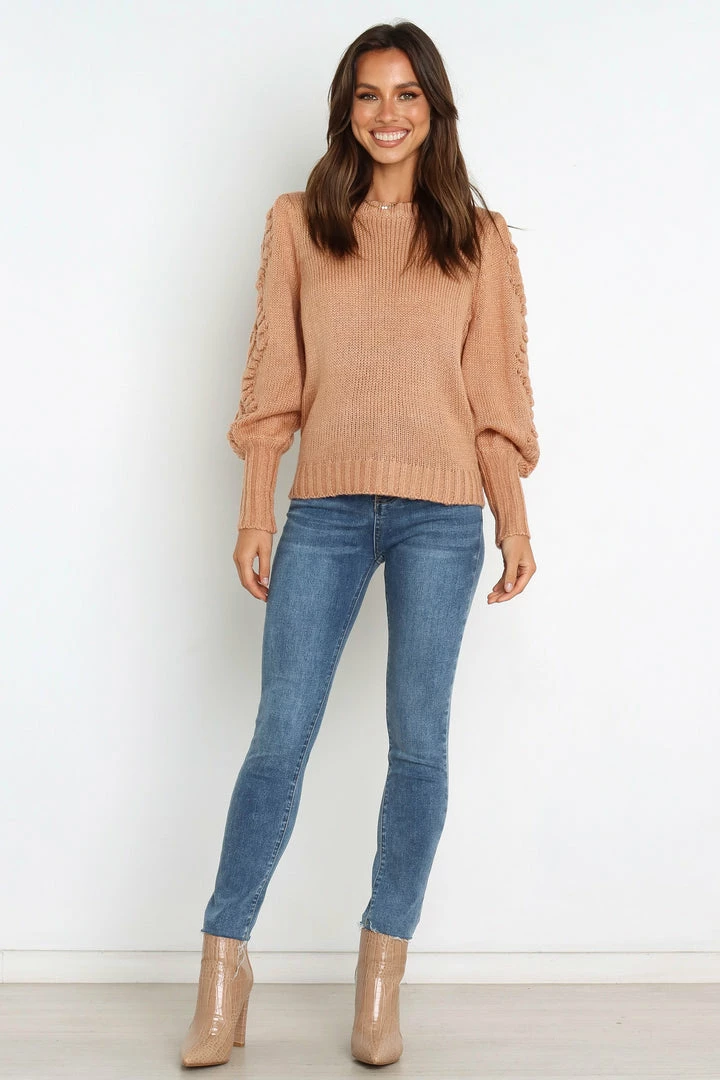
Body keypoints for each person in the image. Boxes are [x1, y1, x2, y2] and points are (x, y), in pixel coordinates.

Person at [180, 18, 540, 1070]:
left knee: (418, 744)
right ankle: (223, 970)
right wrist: (256, 509)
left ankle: (380, 980)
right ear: (346, 109)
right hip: (325, 512)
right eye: (369, 94)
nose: (388, 114)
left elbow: (494, 393)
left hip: (443, 517)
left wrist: (513, 517)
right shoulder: (300, 223)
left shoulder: (479, 236)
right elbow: (274, 380)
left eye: (407, 95)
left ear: (434, 110)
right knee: (279, 739)